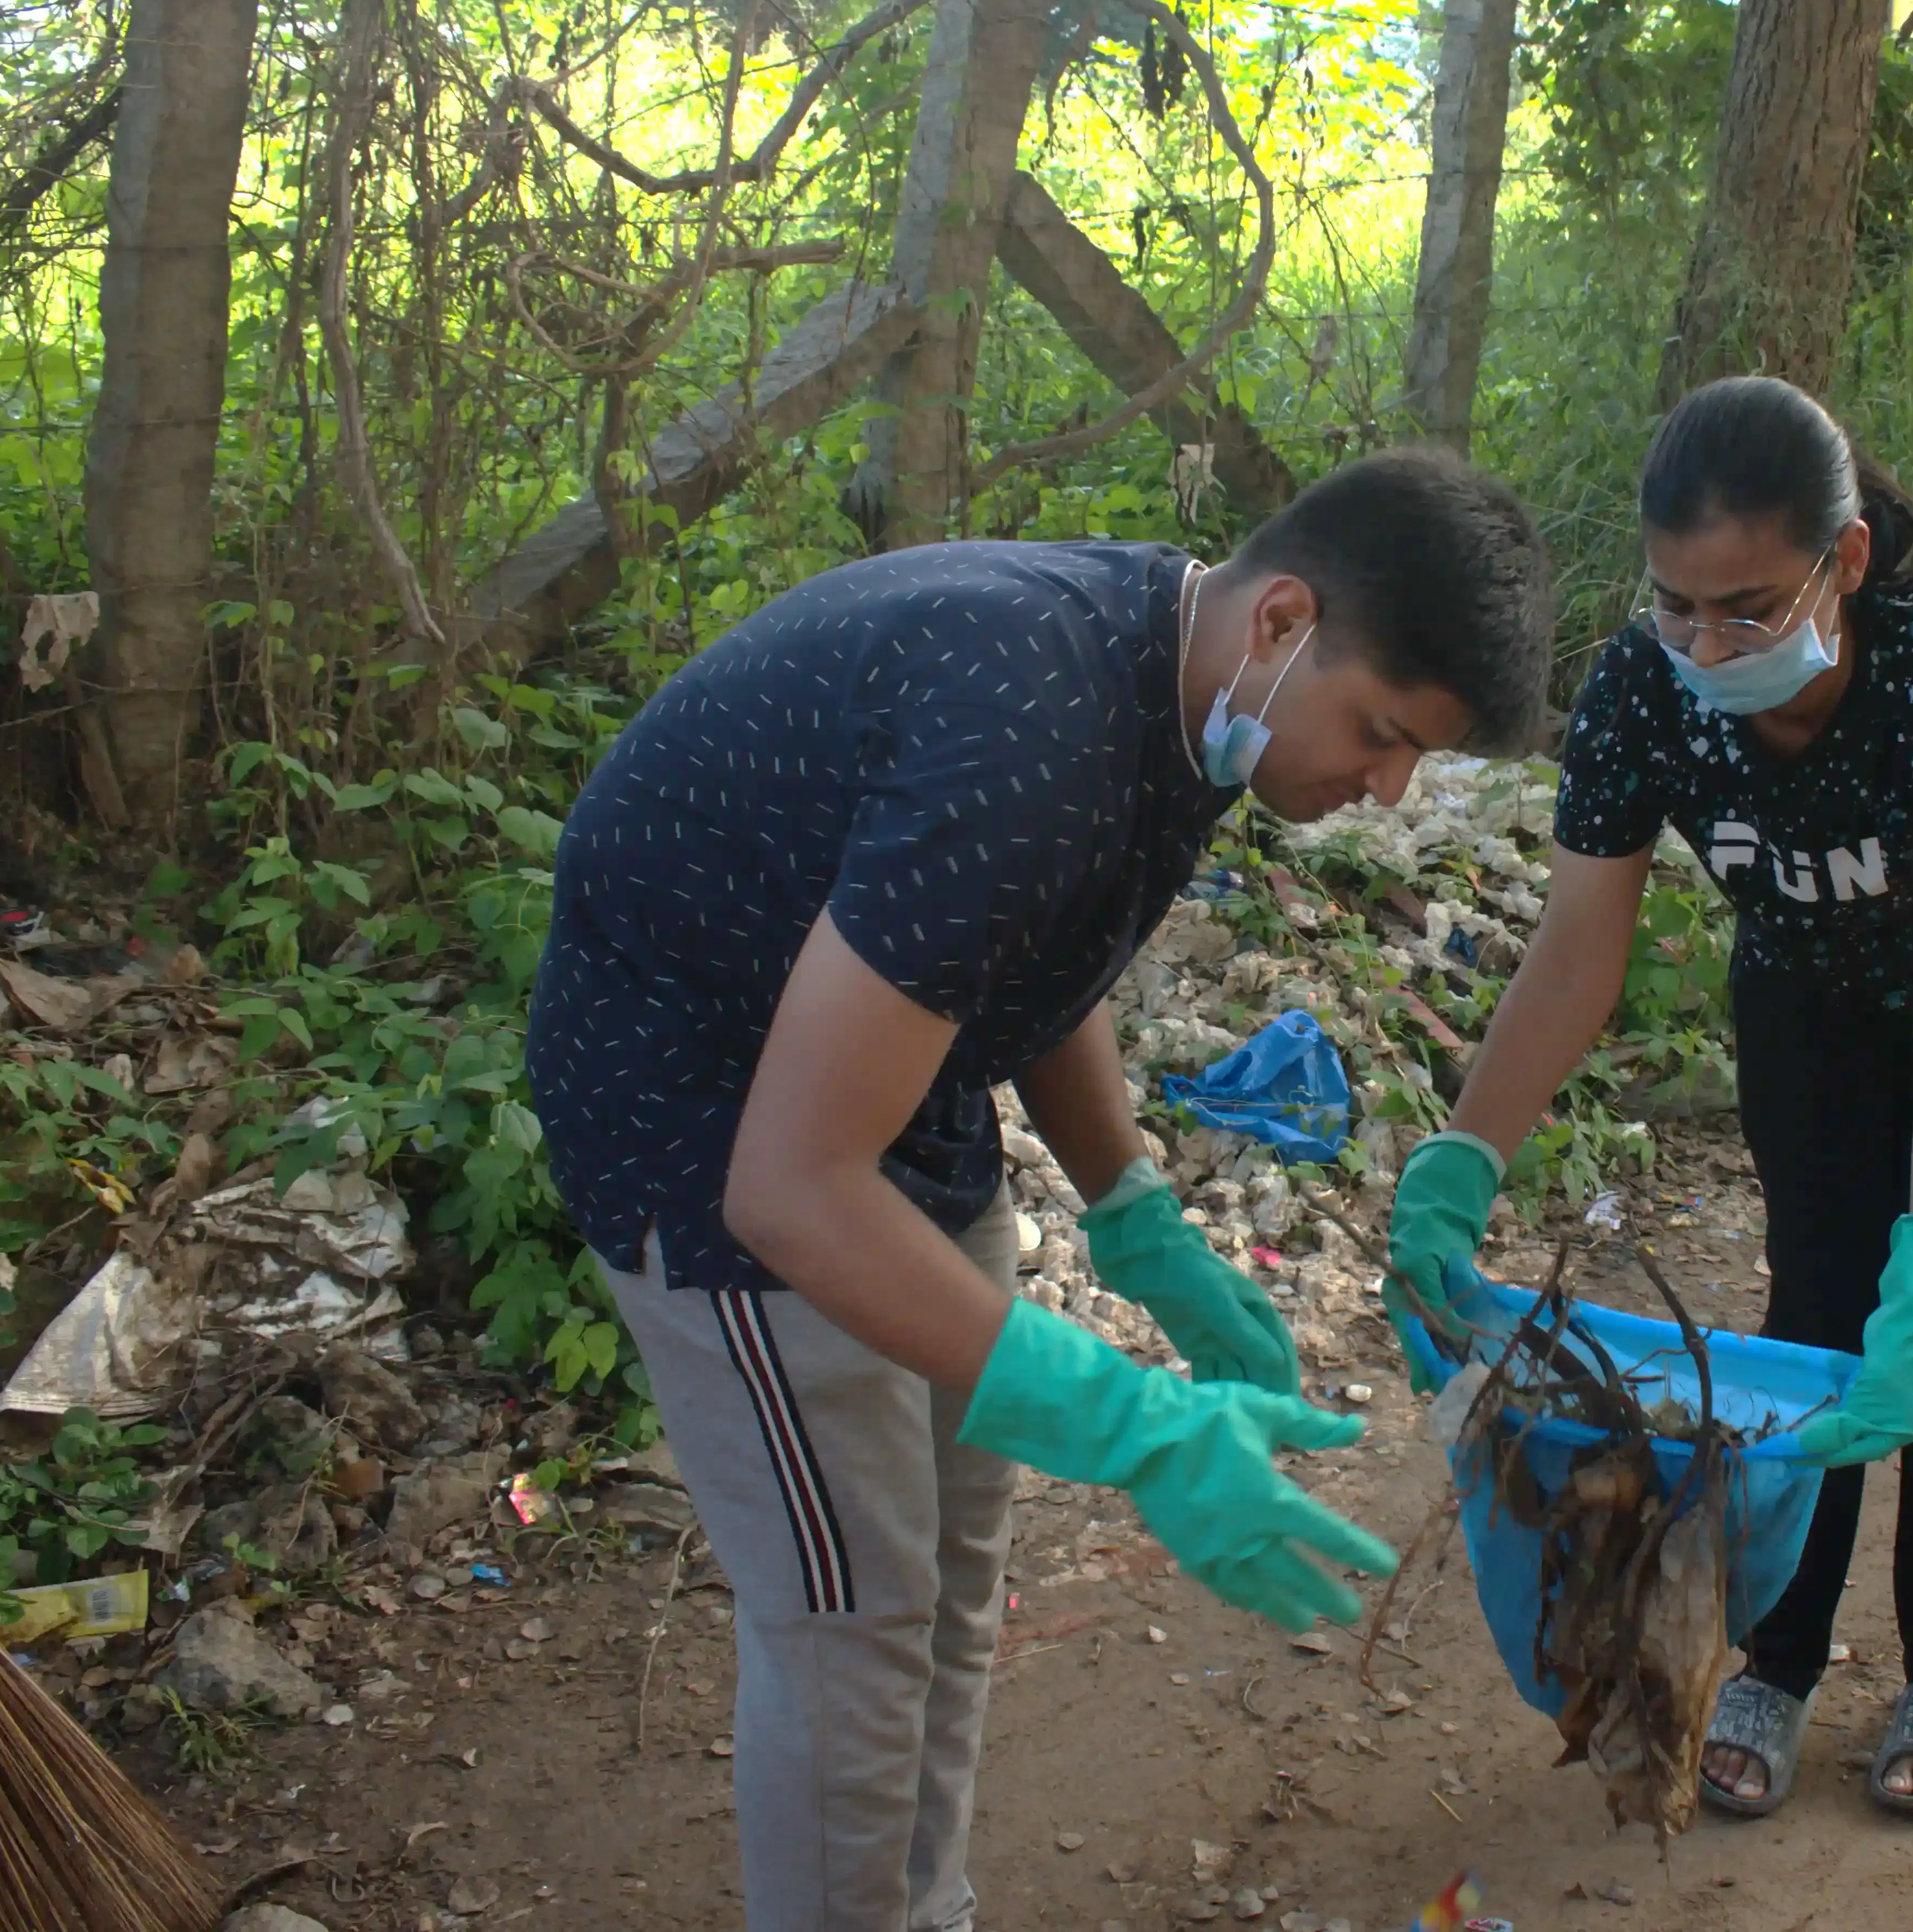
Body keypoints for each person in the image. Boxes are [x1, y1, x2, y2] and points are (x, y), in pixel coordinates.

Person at [524, 452, 1553, 1932]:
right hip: (709, 1124)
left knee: (950, 1582)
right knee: (851, 1615)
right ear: (1282, 619)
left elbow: (1028, 935)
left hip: (893, 1086)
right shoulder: (1029, 723)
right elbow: (792, 1190)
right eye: (1383, 734)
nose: (1384, 788)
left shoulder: (1193, 690)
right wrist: (1128, 1424)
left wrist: (1136, 1216)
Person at [1387, 376, 1913, 1820]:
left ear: (1842, 563)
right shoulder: (1646, 689)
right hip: (1809, 997)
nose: (1708, 644)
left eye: (1750, 609)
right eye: (1678, 605)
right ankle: (1776, 1655)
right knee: (1810, 1325)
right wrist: (1462, 1158)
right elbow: (1576, 957)